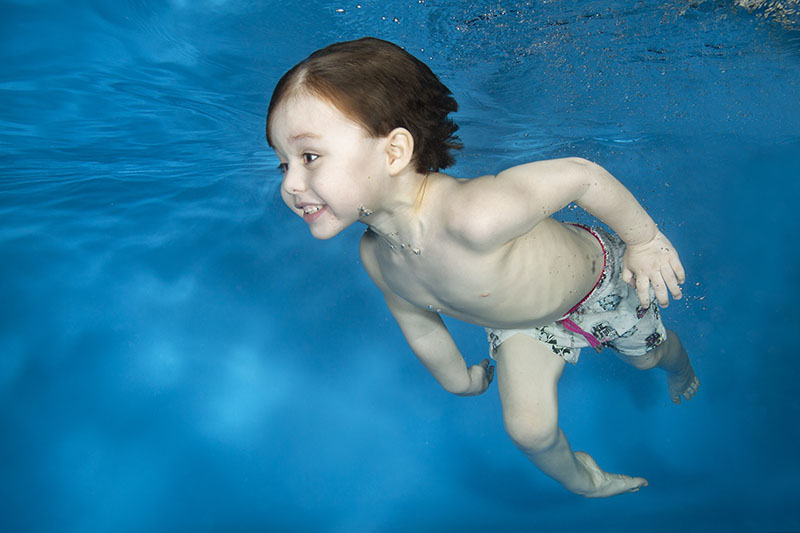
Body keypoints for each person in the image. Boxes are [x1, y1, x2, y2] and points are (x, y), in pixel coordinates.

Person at [266, 37, 700, 498]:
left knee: (648, 358)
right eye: (282, 164)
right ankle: (584, 481)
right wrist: (457, 377)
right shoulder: (377, 256)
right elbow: (418, 322)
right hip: (522, 324)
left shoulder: (475, 215)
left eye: (308, 157)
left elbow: (581, 175)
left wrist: (644, 239)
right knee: (529, 431)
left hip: (601, 286)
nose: (291, 184)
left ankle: (678, 367)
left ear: (393, 152)